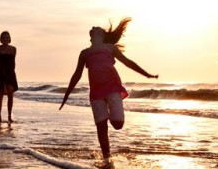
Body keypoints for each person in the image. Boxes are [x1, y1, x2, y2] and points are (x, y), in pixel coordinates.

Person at [60, 18, 158, 160]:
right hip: (96, 94)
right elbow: (77, 75)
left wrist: (147, 75)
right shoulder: (85, 53)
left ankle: (110, 116)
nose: (93, 26)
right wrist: (66, 95)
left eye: (97, 27)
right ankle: (107, 158)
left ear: (102, 35)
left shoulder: (110, 48)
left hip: (112, 89)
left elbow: (128, 63)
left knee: (118, 124)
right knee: (101, 128)